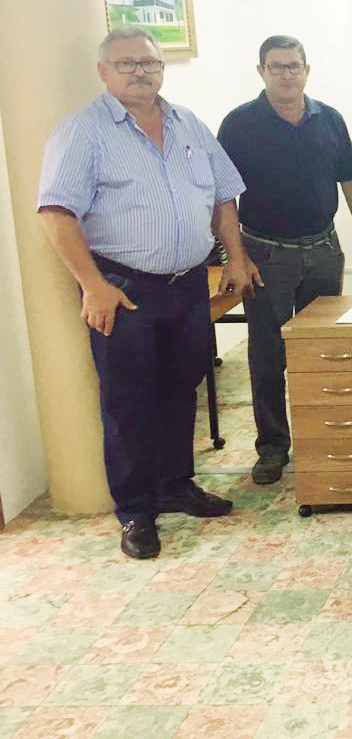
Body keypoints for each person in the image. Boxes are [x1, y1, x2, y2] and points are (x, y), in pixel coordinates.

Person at [38, 27, 262, 559]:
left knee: (182, 388)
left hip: (188, 284)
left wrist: (236, 257)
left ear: (162, 68)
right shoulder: (83, 131)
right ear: (103, 72)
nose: (140, 71)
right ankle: (136, 510)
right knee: (128, 401)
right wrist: (93, 285)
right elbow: (56, 213)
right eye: (126, 63)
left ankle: (175, 485)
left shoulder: (188, 123)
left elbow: (223, 196)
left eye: (149, 62)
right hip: (123, 290)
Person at [217, 35, 352, 485]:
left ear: (307, 69)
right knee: (268, 356)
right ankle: (272, 448)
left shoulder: (330, 119)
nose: (286, 74)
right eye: (277, 66)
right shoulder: (239, 125)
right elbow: (223, 197)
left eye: (293, 66)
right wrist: (236, 257)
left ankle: (323, 435)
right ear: (261, 71)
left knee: (322, 351)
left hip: (323, 251)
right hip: (266, 255)